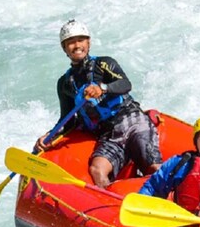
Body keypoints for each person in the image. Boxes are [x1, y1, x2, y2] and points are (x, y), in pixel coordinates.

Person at [35, 19, 162, 188]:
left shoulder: (104, 64)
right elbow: (68, 119)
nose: (77, 45)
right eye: (71, 42)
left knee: (152, 166)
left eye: (80, 40)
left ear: (88, 42)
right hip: (108, 134)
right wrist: (51, 135)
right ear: (64, 48)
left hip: (131, 121)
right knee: (97, 170)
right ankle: (112, 208)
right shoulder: (65, 83)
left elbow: (125, 84)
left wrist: (103, 88)